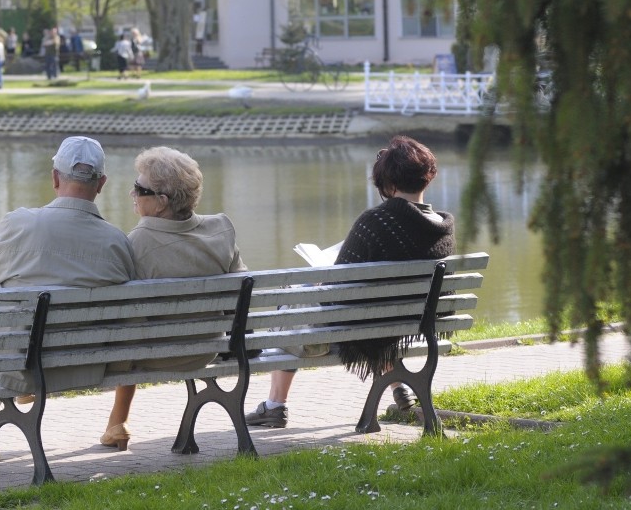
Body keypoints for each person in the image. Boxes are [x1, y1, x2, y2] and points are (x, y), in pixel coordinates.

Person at [0, 136, 137, 461]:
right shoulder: (117, 242)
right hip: (88, 365)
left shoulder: (19, 224)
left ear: (54, 177)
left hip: (19, 366)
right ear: (101, 183)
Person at [245, 135, 456, 428]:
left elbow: (339, 287)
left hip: (363, 325)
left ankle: (274, 405)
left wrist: (318, 287)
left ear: (389, 184)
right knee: (376, 305)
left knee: (293, 299)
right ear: (426, 178)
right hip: (412, 323)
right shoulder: (443, 229)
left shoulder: (376, 222)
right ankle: (398, 383)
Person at [100, 146, 247, 450]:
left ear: (161, 202)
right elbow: (241, 290)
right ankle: (117, 422)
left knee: (128, 330)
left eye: (140, 189)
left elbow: (128, 319)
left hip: (157, 354)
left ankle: (117, 421)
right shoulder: (221, 229)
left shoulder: (136, 243)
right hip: (208, 347)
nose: (132, 193)